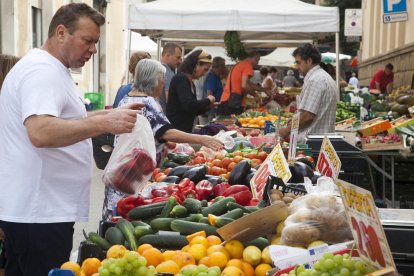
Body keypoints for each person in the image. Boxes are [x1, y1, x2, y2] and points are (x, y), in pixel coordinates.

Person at [0, 3, 143, 275]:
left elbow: (65, 118)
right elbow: (41, 131)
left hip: (41, 211)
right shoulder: (42, 72)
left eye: (96, 42)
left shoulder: (50, 68)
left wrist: (110, 113)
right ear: (61, 33)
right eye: (88, 41)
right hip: (39, 213)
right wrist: (104, 122)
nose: (93, 50)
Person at [102, 59, 224, 220]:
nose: (162, 84)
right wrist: (202, 139)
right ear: (153, 80)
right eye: (161, 79)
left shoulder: (126, 99)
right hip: (137, 174)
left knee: (114, 218)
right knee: (130, 216)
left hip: (121, 168)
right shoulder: (148, 103)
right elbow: (166, 133)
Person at [279, 43, 338, 142]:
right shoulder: (323, 77)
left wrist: (286, 130)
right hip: (321, 140)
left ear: (309, 61)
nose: (297, 67)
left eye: (299, 62)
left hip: (311, 142)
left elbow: (308, 116)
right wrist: (295, 119)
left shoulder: (314, 80)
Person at [166, 49, 217, 133]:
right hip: (177, 131)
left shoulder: (191, 83)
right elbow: (189, 105)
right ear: (196, 65)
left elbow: (192, 110)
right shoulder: (180, 79)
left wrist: (208, 106)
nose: (205, 73)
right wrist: (208, 100)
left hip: (184, 131)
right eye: (205, 69)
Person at [217, 49, 268, 115]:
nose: (258, 63)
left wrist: (264, 90)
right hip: (232, 102)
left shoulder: (240, 64)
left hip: (226, 100)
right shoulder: (247, 65)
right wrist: (255, 95)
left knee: (226, 124)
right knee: (233, 124)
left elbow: (249, 84)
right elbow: (244, 85)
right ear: (254, 58)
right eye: (258, 60)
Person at [159, 42, 183, 113]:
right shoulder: (168, 73)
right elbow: (170, 101)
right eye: (177, 57)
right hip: (165, 116)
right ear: (167, 55)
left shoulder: (157, 69)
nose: (179, 61)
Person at [202, 56, 227, 122]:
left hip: (214, 107)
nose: (224, 68)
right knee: (212, 124)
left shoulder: (215, 76)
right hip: (212, 109)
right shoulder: (212, 77)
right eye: (223, 66)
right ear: (219, 67)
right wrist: (213, 105)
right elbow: (209, 93)